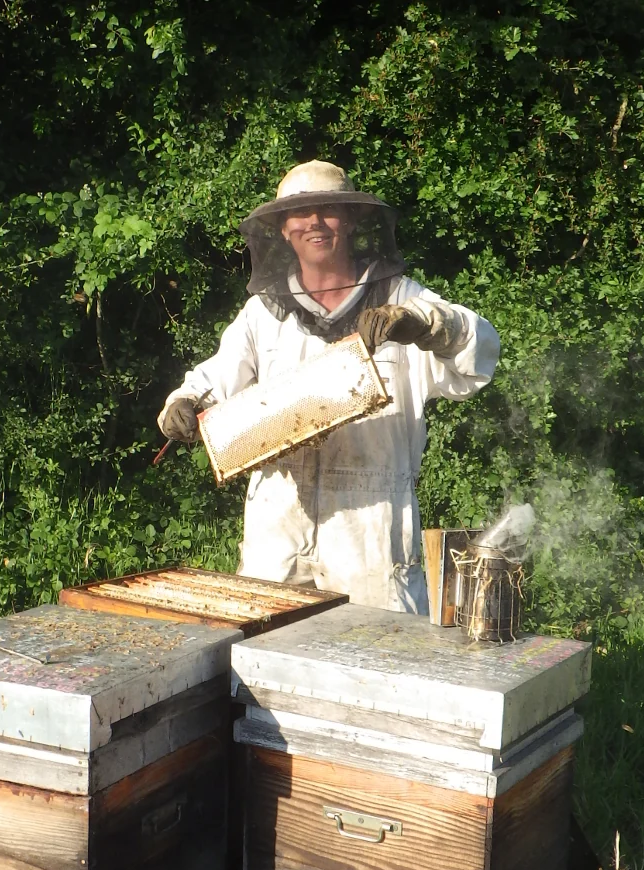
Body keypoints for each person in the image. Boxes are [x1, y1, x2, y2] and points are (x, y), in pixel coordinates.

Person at [158, 161, 500, 612]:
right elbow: (216, 378)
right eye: (300, 213)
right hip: (277, 520)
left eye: (329, 210)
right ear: (282, 228)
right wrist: (181, 404)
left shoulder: (401, 299)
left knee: (374, 661)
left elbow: (476, 353)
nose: (314, 223)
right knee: (266, 658)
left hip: (370, 522)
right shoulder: (265, 312)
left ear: (353, 219)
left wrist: (423, 324)